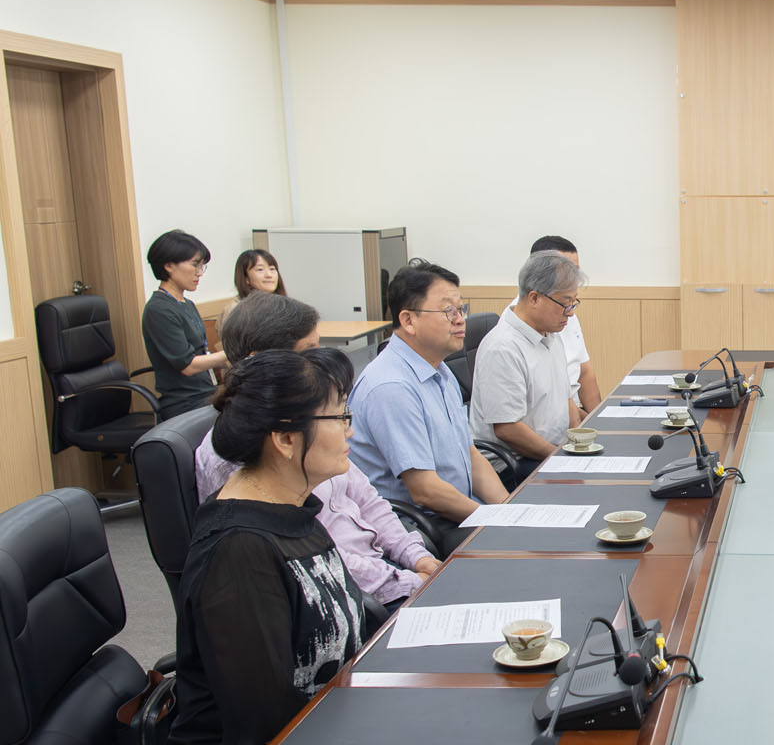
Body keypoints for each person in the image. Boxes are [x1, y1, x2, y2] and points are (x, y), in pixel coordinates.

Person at [170, 348, 369, 745]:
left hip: (325, 739)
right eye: (339, 417)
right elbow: (266, 723)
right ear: (285, 439)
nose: (350, 430)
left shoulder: (291, 509)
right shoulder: (240, 552)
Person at [195, 292, 440, 606]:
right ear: (262, 362)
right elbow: (315, 560)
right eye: (308, 353)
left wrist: (415, 556)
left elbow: (366, 497)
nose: (318, 365)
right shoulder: (250, 450)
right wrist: (408, 581)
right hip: (347, 594)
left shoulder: (312, 425)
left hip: (378, 569)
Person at [349, 260, 507, 550]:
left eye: (461, 309)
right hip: (420, 527)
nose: (460, 320)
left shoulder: (439, 369)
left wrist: (508, 511)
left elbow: (471, 455)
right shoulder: (391, 386)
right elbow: (425, 492)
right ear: (408, 320)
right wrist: (494, 521)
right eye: (448, 311)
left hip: (459, 510)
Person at [473, 251, 584, 478]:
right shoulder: (503, 348)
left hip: (551, 451)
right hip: (514, 463)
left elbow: (567, 400)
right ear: (534, 298)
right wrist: (560, 459)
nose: (571, 313)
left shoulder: (551, 335)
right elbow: (508, 429)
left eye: (573, 303)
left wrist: (578, 445)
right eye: (565, 303)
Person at [141, 230, 229, 417]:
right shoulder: (159, 309)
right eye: (195, 265)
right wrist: (230, 354)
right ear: (169, 265)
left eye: (202, 266)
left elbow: (202, 354)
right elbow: (188, 366)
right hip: (185, 403)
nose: (200, 273)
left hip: (205, 393)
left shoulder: (186, 304)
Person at [530, 235, 602, 417]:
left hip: (572, 414)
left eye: (576, 272)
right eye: (568, 272)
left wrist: (598, 420)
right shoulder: (528, 323)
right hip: (554, 420)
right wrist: (586, 425)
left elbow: (585, 372)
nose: (575, 280)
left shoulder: (567, 309)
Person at [219, 248, 287, 324]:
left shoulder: (283, 304)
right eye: (260, 269)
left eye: (272, 269)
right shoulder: (235, 310)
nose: (269, 275)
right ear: (246, 278)